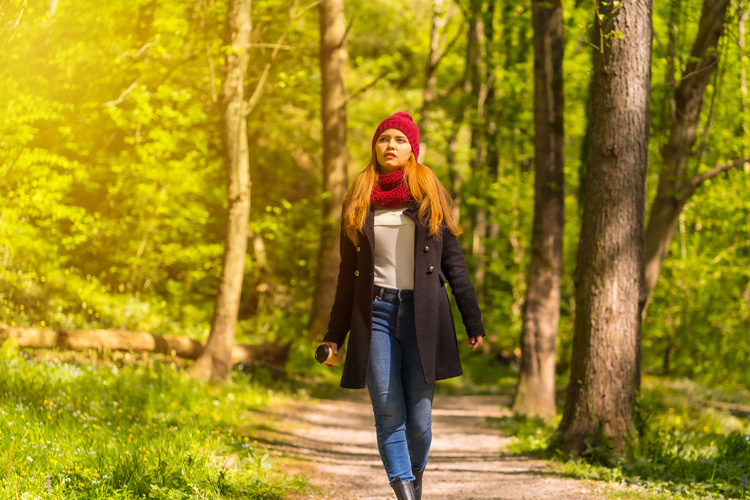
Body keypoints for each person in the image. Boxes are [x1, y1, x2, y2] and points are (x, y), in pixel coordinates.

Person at [321, 111, 485, 500]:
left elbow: (454, 263)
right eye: (383, 139)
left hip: (423, 315)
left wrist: (472, 320)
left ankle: (414, 480)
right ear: (374, 147)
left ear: (412, 149)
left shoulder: (429, 193)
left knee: (420, 421)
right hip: (373, 314)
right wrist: (334, 337)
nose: (390, 145)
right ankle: (406, 493)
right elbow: (348, 278)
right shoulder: (359, 199)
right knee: (388, 411)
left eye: (398, 139)